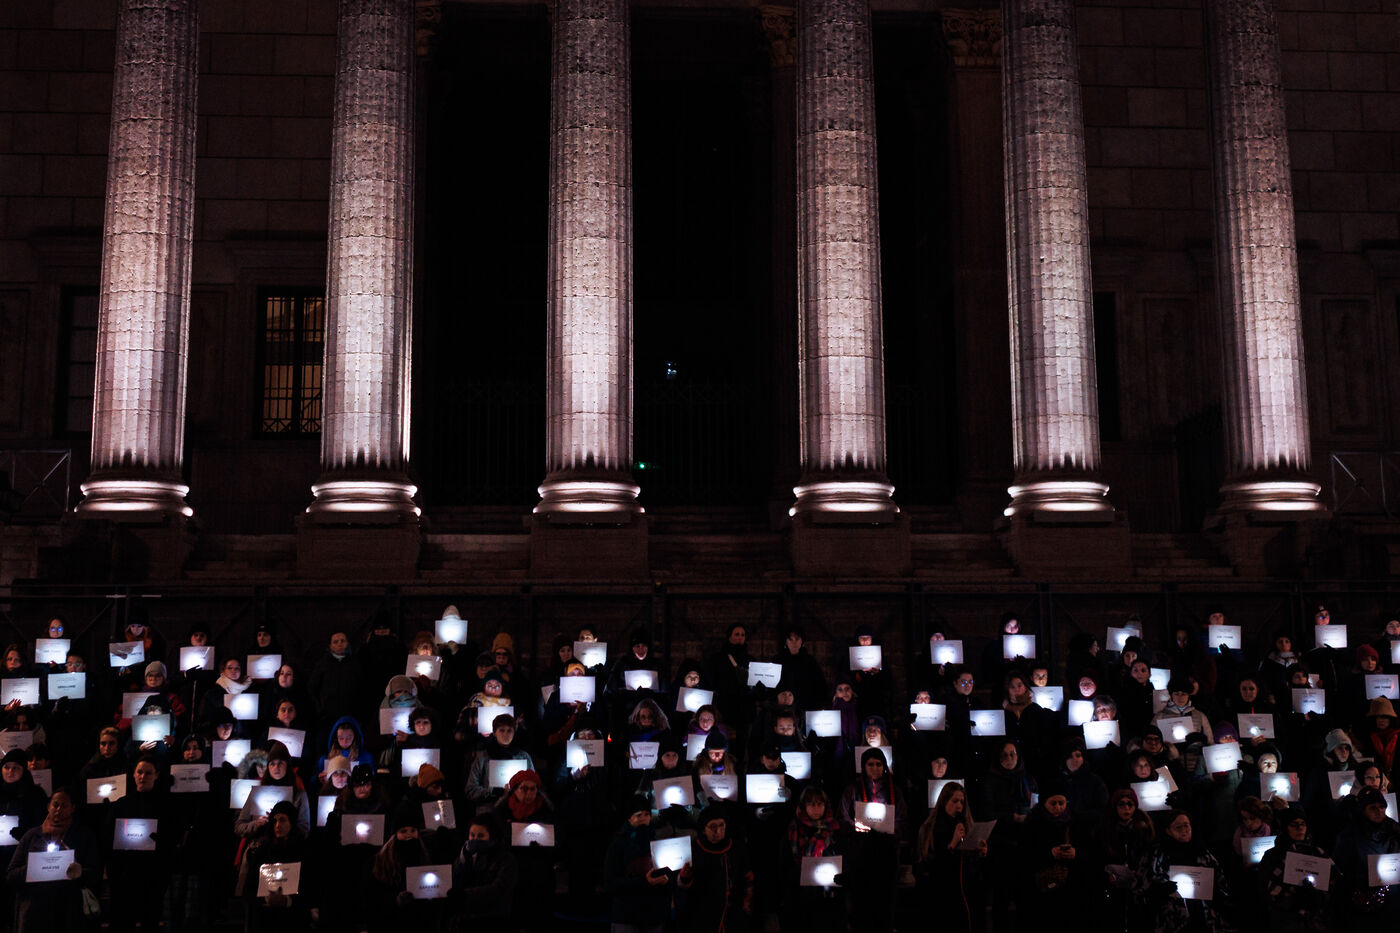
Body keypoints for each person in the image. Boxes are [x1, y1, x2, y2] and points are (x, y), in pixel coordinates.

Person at [6, 790, 100, 933]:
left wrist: (79, 872)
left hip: (69, 913)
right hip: (34, 914)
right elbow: (11, 875)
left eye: (64, 806)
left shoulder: (84, 836)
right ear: (48, 806)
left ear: (72, 808)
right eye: (55, 805)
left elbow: (95, 873)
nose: (58, 809)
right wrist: (33, 868)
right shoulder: (31, 836)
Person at [1135, 810, 1230, 933]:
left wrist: (1214, 891)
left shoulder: (1202, 852)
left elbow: (1220, 881)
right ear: (1168, 830)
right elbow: (1140, 886)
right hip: (1171, 920)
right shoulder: (1156, 855)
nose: (1184, 830)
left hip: (1203, 917)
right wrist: (1158, 891)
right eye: (1178, 827)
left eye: (1186, 826)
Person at [914, 782, 985, 933]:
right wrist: (952, 843)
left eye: (962, 802)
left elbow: (970, 864)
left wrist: (979, 852)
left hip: (964, 889)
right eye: (955, 801)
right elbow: (929, 863)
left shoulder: (965, 825)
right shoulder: (931, 827)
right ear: (944, 801)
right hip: (940, 892)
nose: (959, 805)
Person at [678, 805, 754, 933]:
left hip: (733, 913)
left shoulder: (736, 848)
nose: (718, 831)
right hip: (703, 914)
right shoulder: (693, 850)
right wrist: (685, 878)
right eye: (713, 826)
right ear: (703, 829)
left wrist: (747, 903)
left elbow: (747, 877)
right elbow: (684, 888)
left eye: (721, 825)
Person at [1258, 804, 1330, 933]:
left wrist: (1318, 897)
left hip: (1314, 922)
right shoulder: (1273, 856)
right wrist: (1293, 899)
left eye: (1302, 824)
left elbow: (1331, 883)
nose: (1300, 828)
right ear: (1285, 828)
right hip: (1286, 921)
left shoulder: (1317, 852)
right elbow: (1265, 889)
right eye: (1293, 824)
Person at [450, 812, 518, 924]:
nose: (475, 839)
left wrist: (465, 895)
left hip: (493, 918)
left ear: (492, 836)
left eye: (480, 836)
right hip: (465, 916)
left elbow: (499, 889)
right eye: (472, 835)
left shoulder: (506, 859)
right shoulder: (463, 857)